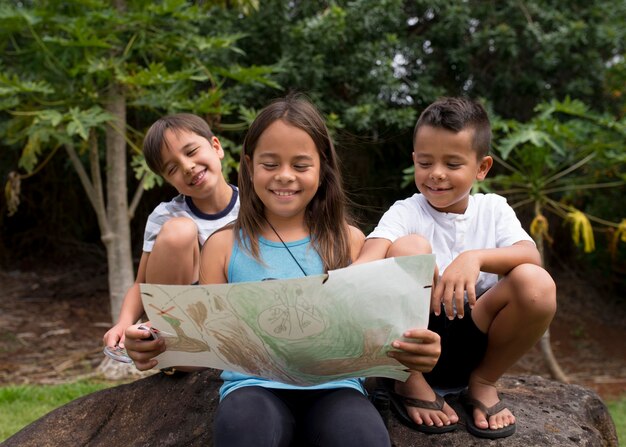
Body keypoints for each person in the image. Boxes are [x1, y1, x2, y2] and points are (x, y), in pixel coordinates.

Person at [124, 95, 442, 446]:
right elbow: (203, 349)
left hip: (337, 388)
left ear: (322, 168)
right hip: (252, 388)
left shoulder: (350, 241)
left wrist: (414, 354)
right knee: (245, 430)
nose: (285, 176)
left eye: (301, 165)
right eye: (270, 164)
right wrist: (154, 346)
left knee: (363, 436)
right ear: (249, 165)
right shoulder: (222, 246)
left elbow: (375, 336)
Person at [356, 97, 557, 439]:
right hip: (413, 343)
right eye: (425, 162)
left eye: (452, 163)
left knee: (535, 282)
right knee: (409, 247)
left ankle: (482, 382)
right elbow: (370, 256)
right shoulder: (407, 212)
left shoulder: (493, 209)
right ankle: (409, 382)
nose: (436, 173)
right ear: (414, 161)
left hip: (474, 336)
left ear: (482, 168)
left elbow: (529, 254)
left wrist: (475, 257)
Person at [102, 113, 239, 352]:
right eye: (172, 168)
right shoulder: (166, 216)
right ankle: (170, 341)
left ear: (216, 146)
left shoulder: (255, 205)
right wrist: (124, 324)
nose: (187, 167)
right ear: (167, 179)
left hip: (240, 315)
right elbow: (140, 284)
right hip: (189, 322)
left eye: (191, 151)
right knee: (180, 230)